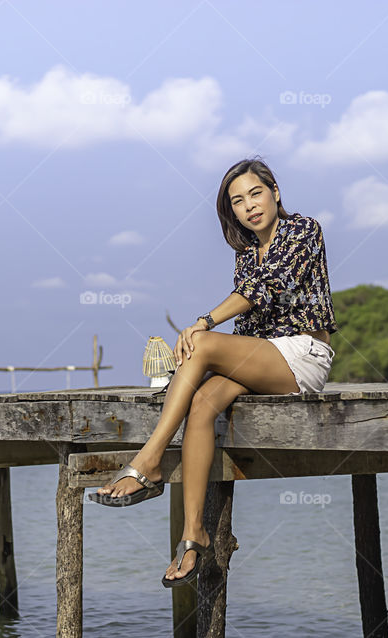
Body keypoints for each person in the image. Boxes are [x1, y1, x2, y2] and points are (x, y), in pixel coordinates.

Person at [87, 157, 339, 588]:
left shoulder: (303, 230)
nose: (250, 206)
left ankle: (148, 462)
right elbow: (247, 325)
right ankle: (193, 536)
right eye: (238, 201)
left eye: (256, 194)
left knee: (200, 341)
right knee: (202, 406)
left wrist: (204, 322)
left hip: (303, 354)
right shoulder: (245, 255)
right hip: (262, 355)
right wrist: (199, 364)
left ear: (275, 192)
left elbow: (265, 288)